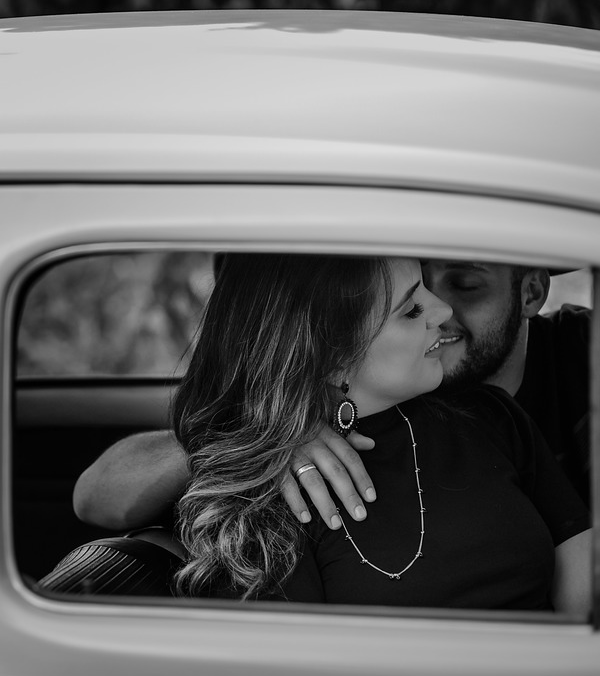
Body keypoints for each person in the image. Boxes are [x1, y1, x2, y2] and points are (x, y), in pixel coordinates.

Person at [167, 254, 589, 609]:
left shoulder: (493, 416)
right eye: (411, 309)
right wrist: (266, 439)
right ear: (332, 356)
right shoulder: (273, 502)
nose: (440, 310)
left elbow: (584, 591)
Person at [74, 259, 591, 532]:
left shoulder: (580, 358)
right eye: (414, 297)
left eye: (465, 284)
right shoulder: (361, 389)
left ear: (532, 293)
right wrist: (269, 438)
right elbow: (99, 497)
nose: (439, 309)